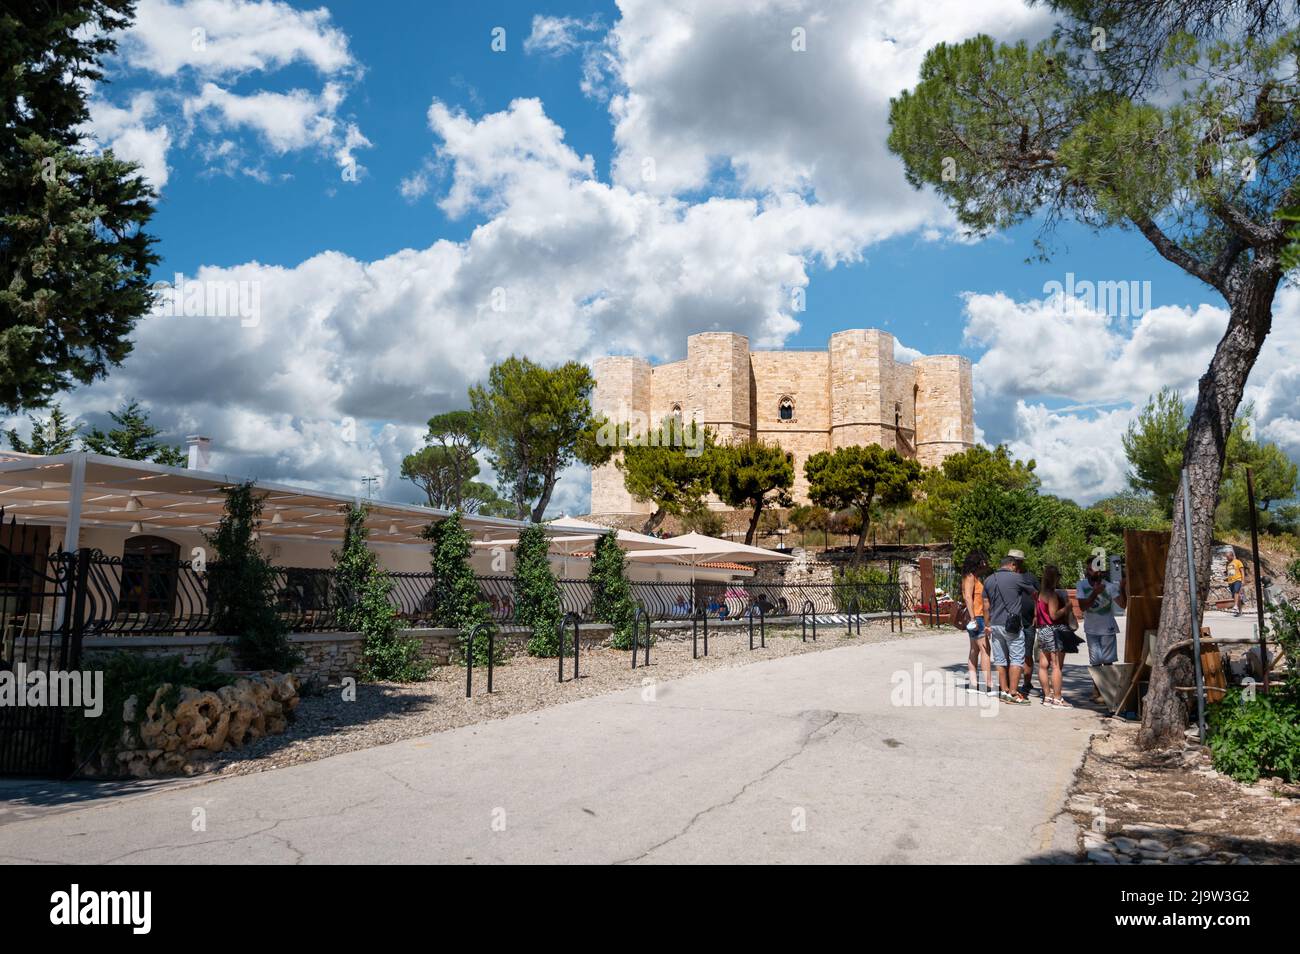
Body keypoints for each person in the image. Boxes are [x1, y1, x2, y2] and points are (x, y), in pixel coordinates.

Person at [983, 550, 1037, 705]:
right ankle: (1013, 692)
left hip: (995, 625)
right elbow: (1035, 593)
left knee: (1000, 659)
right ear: (1012, 565)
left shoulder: (988, 580)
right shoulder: (1017, 578)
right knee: (1017, 658)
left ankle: (1004, 690)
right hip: (1012, 625)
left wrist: (987, 624)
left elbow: (986, 606)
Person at [1077, 562, 1127, 704]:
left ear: (1100, 572)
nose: (1088, 571)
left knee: (1108, 661)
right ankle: (1097, 691)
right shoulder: (1082, 585)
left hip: (1107, 628)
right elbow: (1082, 607)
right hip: (1091, 629)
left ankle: (1109, 693)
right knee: (1095, 662)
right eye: (1088, 568)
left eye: (1091, 569)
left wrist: (1122, 589)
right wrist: (1095, 593)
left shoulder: (1110, 587)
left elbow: (1123, 605)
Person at [1034, 565, 1071, 708]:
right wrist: (1066, 608)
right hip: (1054, 631)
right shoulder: (1052, 595)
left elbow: (1037, 615)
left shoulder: (1039, 594)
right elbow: (1054, 615)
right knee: (1056, 666)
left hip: (1043, 630)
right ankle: (1058, 698)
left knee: (1043, 665)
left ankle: (1047, 696)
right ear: (1055, 578)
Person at [960, 550, 992, 695]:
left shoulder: (973, 576)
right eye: (983, 561)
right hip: (977, 616)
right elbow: (968, 597)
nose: (986, 564)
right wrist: (973, 618)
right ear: (978, 562)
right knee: (985, 649)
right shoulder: (970, 577)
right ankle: (988, 685)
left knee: (975, 650)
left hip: (975, 616)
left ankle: (974, 684)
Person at [1011, 551, 1039, 698]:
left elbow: (1037, 597)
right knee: (1012, 654)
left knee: (1027, 654)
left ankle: (1027, 684)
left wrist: (1036, 614)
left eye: (1018, 561)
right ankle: (1012, 684)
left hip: (1029, 621)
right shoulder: (1007, 578)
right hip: (1012, 623)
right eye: (1014, 560)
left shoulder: (1030, 577)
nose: (1016, 563)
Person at [1226, 550, 1246, 616]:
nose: (1227, 558)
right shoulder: (1228, 563)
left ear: (1232, 556)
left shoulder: (1238, 562)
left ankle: (1235, 606)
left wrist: (1243, 580)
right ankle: (1239, 610)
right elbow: (1229, 572)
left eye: (1228, 557)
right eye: (1226, 557)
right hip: (1230, 581)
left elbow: (1242, 571)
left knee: (1236, 592)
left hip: (1238, 579)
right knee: (1235, 597)